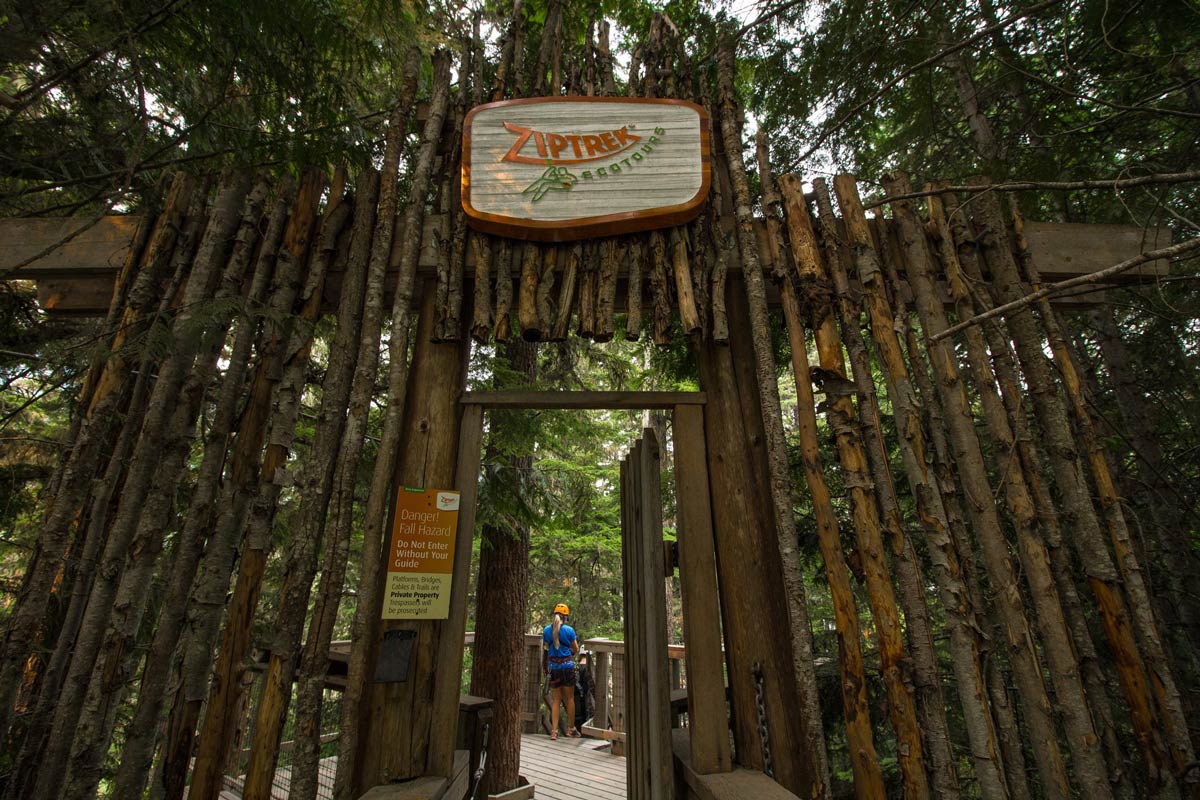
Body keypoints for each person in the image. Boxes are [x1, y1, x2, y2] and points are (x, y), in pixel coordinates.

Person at [542, 602, 580, 740]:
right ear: (565, 617)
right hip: (567, 667)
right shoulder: (569, 631)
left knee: (556, 700)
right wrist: (568, 652)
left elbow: (547, 649)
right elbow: (575, 649)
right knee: (569, 699)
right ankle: (571, 729)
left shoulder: (547, 630)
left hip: (553, 668)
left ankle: (554, 731)